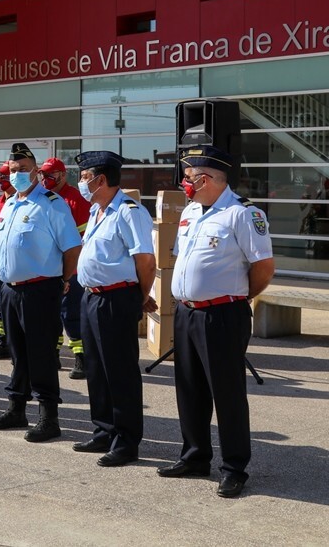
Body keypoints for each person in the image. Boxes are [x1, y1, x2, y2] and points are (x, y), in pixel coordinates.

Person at [159, 145, 275, 499]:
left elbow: (263, 268)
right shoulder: (191, 211)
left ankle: (234, 467)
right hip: (187, 313)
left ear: (206, 178)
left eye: (189, 177)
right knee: (190, 388)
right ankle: (195, 457)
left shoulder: (242, 214)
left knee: (227, 394)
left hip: (222, 315)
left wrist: (234, 298)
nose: (185, 183)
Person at [0, 143, 81, 442]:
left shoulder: (52, 204)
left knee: (41, 354)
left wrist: (61, 280)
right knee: (17, 353)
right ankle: (16, 409)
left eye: (23, 169)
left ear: (36, 171)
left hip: (40, 290)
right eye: (13, 170)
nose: (17, 175)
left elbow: (72, 248)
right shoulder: (10, 204)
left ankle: (49, 418)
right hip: (10, 291)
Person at [73, 151, 156, 467]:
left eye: (83, 177)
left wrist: (139, 296)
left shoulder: (128, 211)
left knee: (119, 371)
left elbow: (146, 261)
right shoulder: (98, 209)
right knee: (96, 368)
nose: (81, 183)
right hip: (92, 297)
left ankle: (125, 440)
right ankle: (104, 430)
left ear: (100, 179)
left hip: (116, 299)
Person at [40, 157, 92, 379]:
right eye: (42, 174)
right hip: (48, 266)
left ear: (62, 175)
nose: (45, 179)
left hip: (72, 268)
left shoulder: (76, 199)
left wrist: (69, 271)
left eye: (50, 175)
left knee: (72, 314)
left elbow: (81, 238)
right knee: (51, 315)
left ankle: (82, 357)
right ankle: (53, 354)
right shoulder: (44, 198)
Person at [0, 163, 15, 359]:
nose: (1, 180)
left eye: (5, 176)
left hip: (18, 269)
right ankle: (3, 341)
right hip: (0, 267)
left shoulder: (22, 202)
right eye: (0, 176)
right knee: (0, 309)